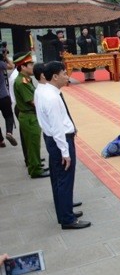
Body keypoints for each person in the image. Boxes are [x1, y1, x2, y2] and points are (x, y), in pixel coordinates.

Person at [35, 61, 91, 229]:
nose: (67, 77)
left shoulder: (44, 91)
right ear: (55, 76)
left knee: (59, 178)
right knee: (65, 179)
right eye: (65, 74)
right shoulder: (51, 97)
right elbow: (57, 127)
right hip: (60, 140)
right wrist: (65, 152)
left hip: (54, 139)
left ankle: (64, 211)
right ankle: (67, 219)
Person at [13, 52, 48, 178]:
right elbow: (32, 101)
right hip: (29, 117)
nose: (33, 66)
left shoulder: (26, 79)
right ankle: (35, 170)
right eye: (30, 64)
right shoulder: (22, 82)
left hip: (29, 116)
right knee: (33, 144)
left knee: (33, 143)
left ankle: (36, 164)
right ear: (23, 67)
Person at [0, 46, 16, 148]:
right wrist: (5, 57)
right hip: (3, 96)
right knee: (8, 116)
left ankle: (0, 140)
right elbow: (12, 66)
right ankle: (9, 133)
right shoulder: (0, 64)